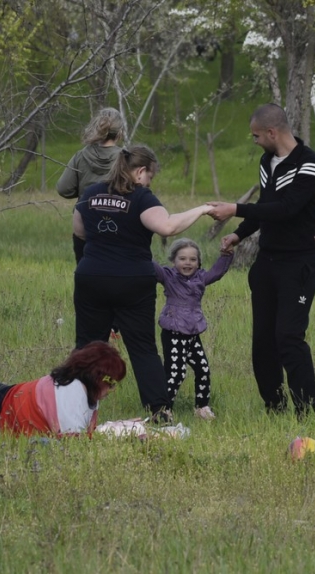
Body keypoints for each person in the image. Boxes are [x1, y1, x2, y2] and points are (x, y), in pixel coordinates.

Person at [73, 144, 212, 423]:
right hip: (132, 282)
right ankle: (159, 410)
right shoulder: (140, 198)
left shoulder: (90, 194)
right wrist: (205, 208)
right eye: (150, 176)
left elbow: (79, 231)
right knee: (142, 348)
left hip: (91, 278)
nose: (149, 182)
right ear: (139, 171)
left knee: (88, 347)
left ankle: (75, 409)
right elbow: (168, 226)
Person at [207, 103, 315, 417]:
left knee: (288, 335)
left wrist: (235, 209)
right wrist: (240, 233)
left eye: (256, 136)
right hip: (267, 263)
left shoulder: (310, 164)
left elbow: (287, 208)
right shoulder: (266, 161)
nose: (255, 141)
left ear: (272, 132)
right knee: (263, 340)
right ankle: (275, 408)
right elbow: (266, 205)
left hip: (299, 264)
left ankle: (307, 412)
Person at [153, 238, 232, 420]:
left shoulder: (201, 278)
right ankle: (164, 409)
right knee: (176, 372)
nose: (187, 263)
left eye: (192, 259)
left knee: (203, 368)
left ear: (198, 263)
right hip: (173, 332)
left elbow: (217, 272)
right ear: (173, 261)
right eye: (182, 259)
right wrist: (138, 246)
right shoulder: (168, 277)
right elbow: (152, 267)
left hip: (192, 333)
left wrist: (226, 254)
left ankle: (201, 408)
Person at [57, 107, 125, 263]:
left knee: (86, 271)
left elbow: (63, 188)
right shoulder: (125, 158)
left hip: (85, 223)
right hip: (118, 223)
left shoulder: (81, 156)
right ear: (120, 133)